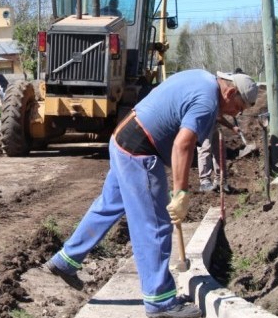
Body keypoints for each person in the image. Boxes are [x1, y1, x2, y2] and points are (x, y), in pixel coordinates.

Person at [43, 69, 258, 318]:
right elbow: (182, 145)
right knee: (155, 224)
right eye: (238, 106)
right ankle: (160, 303)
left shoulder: (202, 79)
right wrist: (181, 193)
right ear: (230, 91)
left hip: (123, 138)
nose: (237, 113)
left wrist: (216, 118)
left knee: (109, 205)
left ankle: (66, 259)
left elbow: (177, 102)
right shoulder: (207, 102)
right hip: (140, 152)